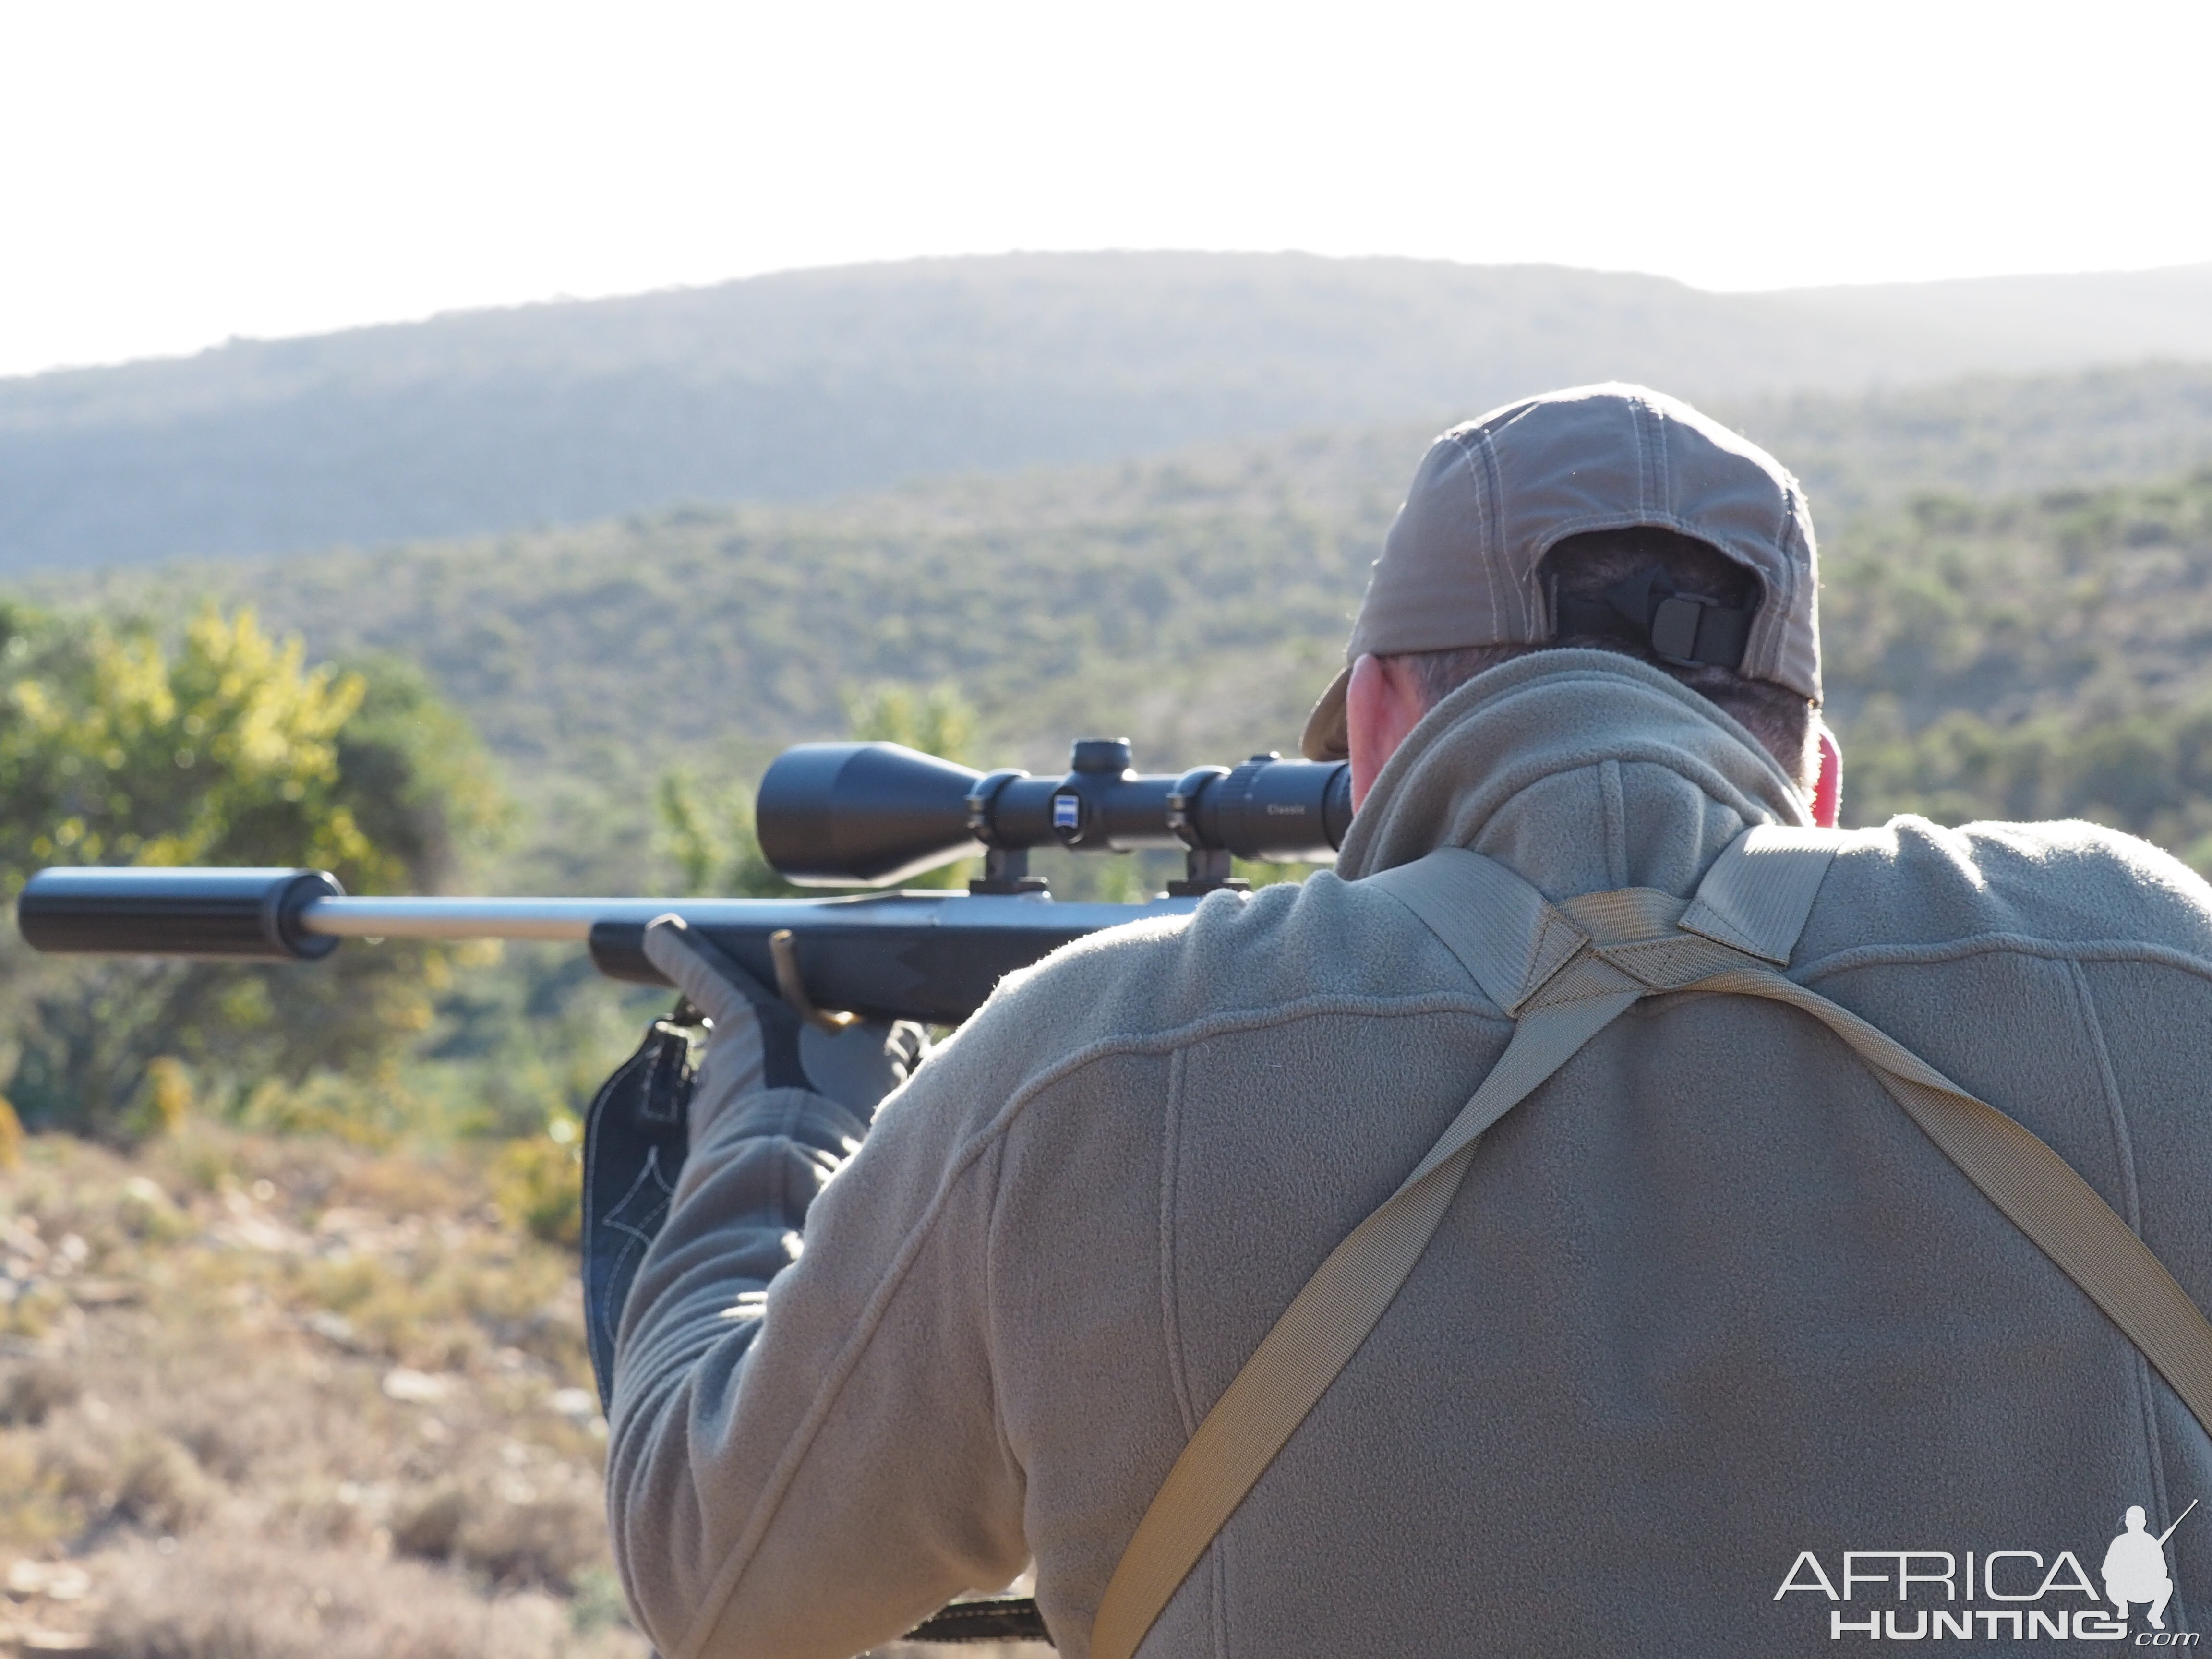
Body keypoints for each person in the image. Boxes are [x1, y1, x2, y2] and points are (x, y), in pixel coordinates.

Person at [603, 383, 2212, 1657]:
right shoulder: (2147, 962)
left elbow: (720, 1577)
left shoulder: (1094, 1065)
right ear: (1822, 775)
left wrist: (768, 1117)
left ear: (1374, 731)